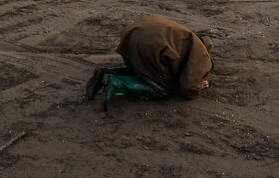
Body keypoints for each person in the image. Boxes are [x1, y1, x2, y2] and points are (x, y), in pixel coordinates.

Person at [85, 14, 213, 111]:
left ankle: (105, 72)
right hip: (149, 47)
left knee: (141, 71)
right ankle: (117, 84)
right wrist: (198, 85)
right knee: (161, 90)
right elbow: (188, 88)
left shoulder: (185, 35)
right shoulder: (201, 55)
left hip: (131, 33)